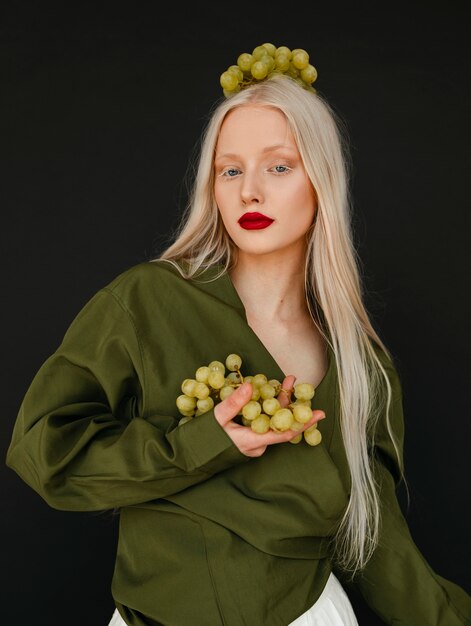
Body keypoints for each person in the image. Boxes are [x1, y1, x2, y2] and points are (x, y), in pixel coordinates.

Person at [5, 42, 471, 626]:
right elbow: (43, 451)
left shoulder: (360, 363)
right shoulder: (149, 300)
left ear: (321, 181)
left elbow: (377, 544)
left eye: (279, 166)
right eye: (231, 169)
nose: (250, 190)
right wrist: (200, 444)